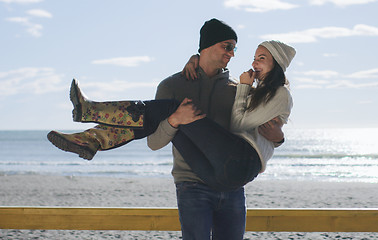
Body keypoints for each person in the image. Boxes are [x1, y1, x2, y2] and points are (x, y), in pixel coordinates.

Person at [47, 18, 295, 240]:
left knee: (168, 109)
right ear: (206, 46)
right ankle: (92, 136)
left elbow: (258, 127)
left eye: (234, 48)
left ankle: (93, 128)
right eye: (227, 46)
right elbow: (154, 142)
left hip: (231, 187)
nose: (232, 54)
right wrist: (174, 121)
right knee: (170, 111)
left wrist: (279, 138)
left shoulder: (239, 90)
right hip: (192, 184)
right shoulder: (172, 85)